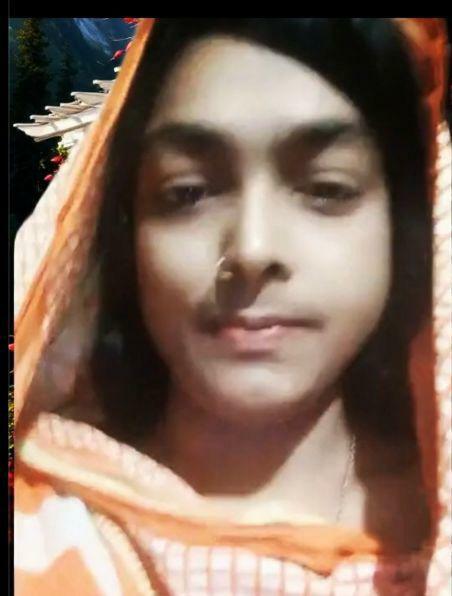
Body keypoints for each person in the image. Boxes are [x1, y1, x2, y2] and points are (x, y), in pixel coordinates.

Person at [14, 18, 450, 594]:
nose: (252, 249)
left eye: (327, 188)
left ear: (408, 222)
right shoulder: (42, 532)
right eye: (188, 192)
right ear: (122, 229)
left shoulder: (434, 533)